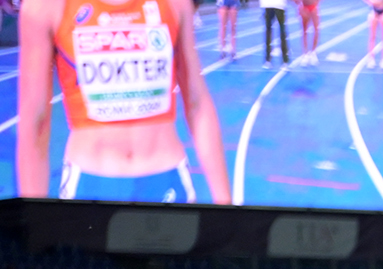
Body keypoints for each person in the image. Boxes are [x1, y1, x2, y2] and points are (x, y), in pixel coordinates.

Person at [17, 0, 232, 204]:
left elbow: (197, 103)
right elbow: (34, 121)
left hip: (167, 178)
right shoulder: (44, 7)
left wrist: (225, 205)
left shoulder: (175, 4)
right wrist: (32, 219)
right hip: (88, 183)